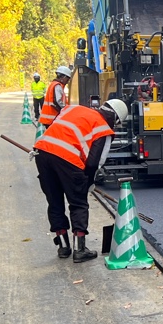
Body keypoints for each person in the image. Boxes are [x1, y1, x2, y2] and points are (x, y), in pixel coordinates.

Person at [33, 99, 125, 262]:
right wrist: (88, 183)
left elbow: (58, 130)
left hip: (42, 152)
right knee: (78, 202)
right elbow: (93, 163)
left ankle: (63, 247)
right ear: (115, 119)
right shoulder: (103, 129)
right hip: (67, 159)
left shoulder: (72, 109)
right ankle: (79, 250)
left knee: (54, 202)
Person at [39, 64, 72, 131]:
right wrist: (66, 110)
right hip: (52, 118)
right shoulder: (58, 86)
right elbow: (58, 101)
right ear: (63, 77)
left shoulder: (53, 84)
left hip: (49, 118)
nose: (67, 81)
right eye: (67, 79)